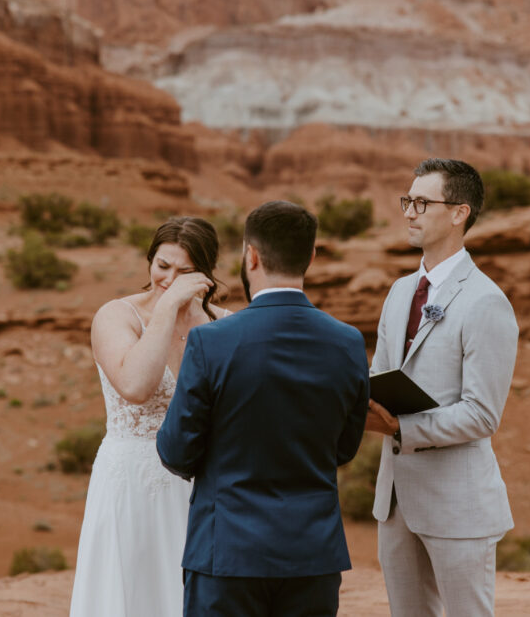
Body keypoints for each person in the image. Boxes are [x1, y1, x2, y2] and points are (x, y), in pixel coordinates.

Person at [156, 200, 370, 617]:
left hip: (226, 555)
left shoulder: (211, 342)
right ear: (310, 256)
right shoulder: (347, 341)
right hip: (313, 557)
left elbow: (175, 451)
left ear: (250, 256)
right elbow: (344, 448)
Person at [365, 158, 519, 617]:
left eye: (422, 202)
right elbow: (382, 376)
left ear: (459, 213)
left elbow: (482, 414)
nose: (410, 212)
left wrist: (401, 428)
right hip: (394, 501)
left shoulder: (486, 301)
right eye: (407, 201)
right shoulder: (399, 291)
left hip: (458, 503)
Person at [69, 216, 229, 617]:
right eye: (163, 266)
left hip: (202, 489)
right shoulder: (116, 316)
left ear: (206, 275)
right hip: (130, 486)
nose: (170, 279)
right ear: (149, 261)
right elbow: (136, 385)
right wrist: (169, 306)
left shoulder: (225, 325)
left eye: (185, 272)